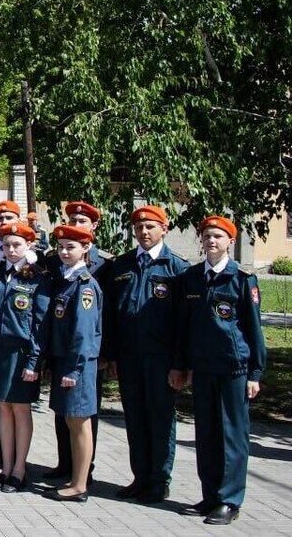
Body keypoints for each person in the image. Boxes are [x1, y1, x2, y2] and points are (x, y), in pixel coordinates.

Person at [173, 216, 266, 526]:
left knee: (232, 435)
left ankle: (230, 499)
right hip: (203, 367)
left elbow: (254, 329)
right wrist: (182, 363)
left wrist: (255, 373)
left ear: (229, 241)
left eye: (218, 236)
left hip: (233, 367)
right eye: (207, 235)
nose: (211, 240)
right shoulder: (192, 277)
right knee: (207, 434)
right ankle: (211, 494)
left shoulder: (241, 278)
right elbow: (185, 327)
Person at [103, 205, 189, 505]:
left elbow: (183, 323)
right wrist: (112, 356)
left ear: (164, 229)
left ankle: (159, 480)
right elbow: (112, 315)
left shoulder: (176, 268)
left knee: (161, 417)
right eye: (139, 228)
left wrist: (180, 364)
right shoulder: (122, 265)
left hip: (161, 359)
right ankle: (140, 476)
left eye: (150, 227)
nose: (144, 232)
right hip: (128, 356)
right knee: (136, 417)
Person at [0, 223, 51, 492]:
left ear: (29, 246)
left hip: (22, 354)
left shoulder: (38, 278)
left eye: (17, 244)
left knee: (20, 409)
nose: (12, 250)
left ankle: (19, 469)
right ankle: (5, 468)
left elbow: (40, 325)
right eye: (6, 245)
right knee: (2, 408)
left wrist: (34, 362)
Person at [41, 200, 114, 484]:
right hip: (63, 357)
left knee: (80, 420)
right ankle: (68, 469)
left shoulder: (88, 280)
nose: (63, 251)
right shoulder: (62, 271)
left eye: (70, 247)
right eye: (61, 247)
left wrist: (75, 367)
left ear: (87, 245)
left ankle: (81, 479)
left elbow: (85, 331)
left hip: (79, 362)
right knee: (67, 418)